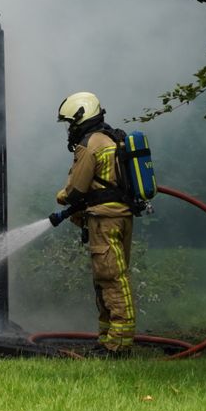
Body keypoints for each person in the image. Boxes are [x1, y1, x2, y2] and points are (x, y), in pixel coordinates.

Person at [54, 91, 135, 357]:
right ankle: (107, 339)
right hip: (119, 216)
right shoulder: (112, 138)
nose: (70, 129)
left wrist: (62, 196)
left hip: (104, 220)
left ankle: (118, 345)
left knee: (110, 279)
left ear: (82, 117)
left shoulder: (91, 145)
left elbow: (76, 189)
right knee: (107, 279)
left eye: (71, 123)